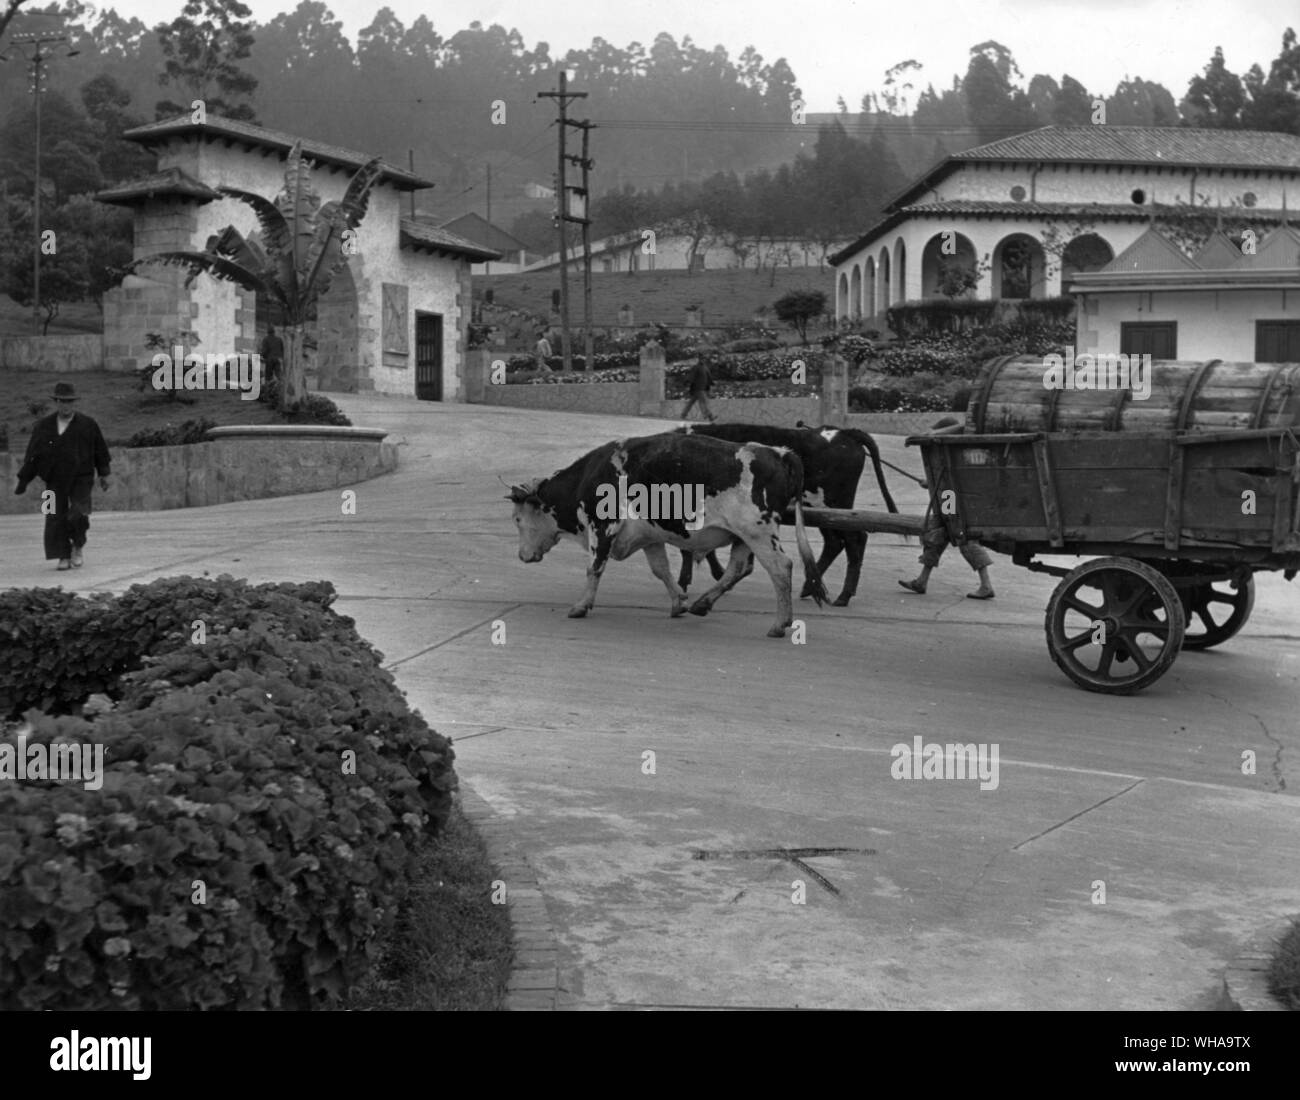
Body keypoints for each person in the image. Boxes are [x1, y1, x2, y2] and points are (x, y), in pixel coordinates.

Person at [15, 382, 112, 571]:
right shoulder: (43, 426)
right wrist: (23, 480)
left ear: (74, 403)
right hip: (53, 480)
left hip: (81, 479)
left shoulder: (88, 424)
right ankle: (62, 555)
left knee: (79, 513)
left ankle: (77, 546)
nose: (65, 406)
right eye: (61, 402)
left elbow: (100, 450)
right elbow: (33, 454)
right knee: (52, 515)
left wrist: (104, 474)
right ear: (56, 402)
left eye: (69, 402)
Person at [898, 416, 995, 600]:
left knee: (959, 535)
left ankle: (986, 585)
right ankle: (922, 580)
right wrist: (931, 483)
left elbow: (951, 482)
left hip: (952, 499)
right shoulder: (954, 452)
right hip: (952, 498)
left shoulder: (952, 453)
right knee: (939, 534)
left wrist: (932, 484)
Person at [680, 352, 717, 422]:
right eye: (702, 358)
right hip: (698, 388)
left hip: (701, 389)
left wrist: (711, 385)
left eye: (704, 358)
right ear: (699, 359)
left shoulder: (705, 368)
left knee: (691, 402)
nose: (703, 360)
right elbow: (691, 377)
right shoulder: (696, 367)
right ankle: (710, 416)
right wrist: (687, 384)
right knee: (704, 401)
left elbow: (709, 377)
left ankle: (683, 415)